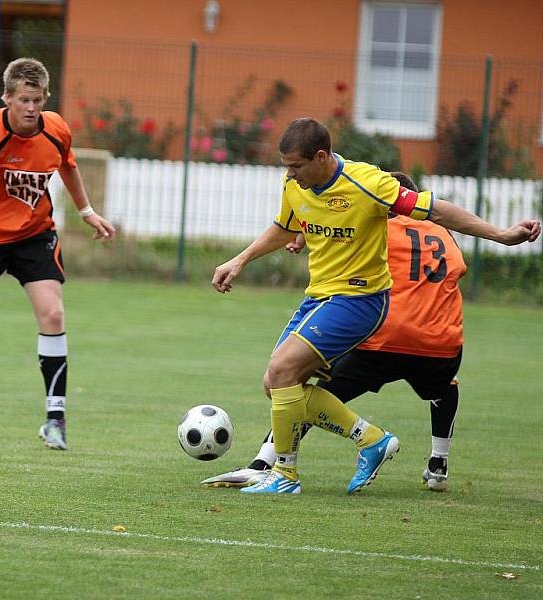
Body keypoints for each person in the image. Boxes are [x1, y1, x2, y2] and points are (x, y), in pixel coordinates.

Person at [211, 118, 539, 495]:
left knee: (283, 369)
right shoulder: (295, 184)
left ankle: (284, 474)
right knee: (277, 384)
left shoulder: (367, 182)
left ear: (321, 157)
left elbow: (436, 211)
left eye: (296, 166)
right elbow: (285, 226)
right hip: (320, 296)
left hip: (361, 299)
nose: (290, 174)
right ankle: (370, 440)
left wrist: (500, 234)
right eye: (286, 166)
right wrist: (240, 260)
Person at [203, 172, 464, 492]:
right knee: (444, 388)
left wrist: (301, 236)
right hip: (439, 344)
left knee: (292, 381)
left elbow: (338, 234)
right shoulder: (443, 235)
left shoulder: (376, 224)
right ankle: (438, 465)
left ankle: (268, 464)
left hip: (379, 336)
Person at [0, 57, 115, 450]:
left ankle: (55, 419)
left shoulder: (56, 129)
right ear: (7, 97)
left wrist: (86, 212)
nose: (32, 108)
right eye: (24, 100)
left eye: (38, 99)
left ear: (46, 97)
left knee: (54, 313)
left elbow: (68, 166)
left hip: (34, 234)